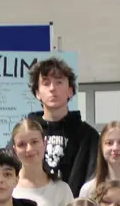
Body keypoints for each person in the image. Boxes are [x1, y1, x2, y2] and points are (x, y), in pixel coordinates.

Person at [24, 56, 99, 196]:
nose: (52, 88)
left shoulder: (88, 135)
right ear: (37, 93)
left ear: (70, 91)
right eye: (46, 83)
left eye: (59, 82)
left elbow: (94, 178)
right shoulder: (25, 133)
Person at [12, 117, 74, 206]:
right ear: (15, 150)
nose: (29, 149)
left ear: (44, 143)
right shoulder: (8, 189)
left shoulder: (61, 190)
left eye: (34, 142)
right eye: (22, 144)